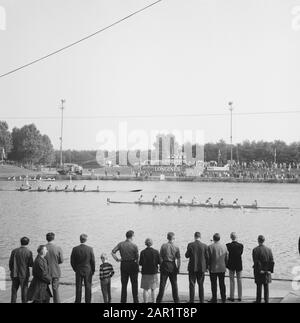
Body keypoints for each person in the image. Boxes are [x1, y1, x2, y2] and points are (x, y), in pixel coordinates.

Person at [112, 230, 139, 303]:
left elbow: (113, 252)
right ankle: (136, 301)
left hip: (123, 264)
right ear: (132, 236)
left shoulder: (120, 244)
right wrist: (138, 267)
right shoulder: (134, 246)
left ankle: (123, 301)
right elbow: (137, 258)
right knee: (134, 284)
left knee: (124, 284)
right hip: (133, 265)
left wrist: (117, 259)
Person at [156, 232, 181, 303]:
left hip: (164, 265)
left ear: (167, 238)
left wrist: (160, 265)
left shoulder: (163, 246)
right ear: (173, 238)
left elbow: (160, 257)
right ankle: (176, 300)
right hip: (172, 265)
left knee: (162, 284)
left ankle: (159, 300)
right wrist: (178, 268)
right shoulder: (176, 247)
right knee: (174, 284)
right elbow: (178, 259)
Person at [70, 234, 95, 303]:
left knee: (78, 287)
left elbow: (72, 261)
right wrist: (93, 270)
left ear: (80, 239)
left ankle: (78, 301)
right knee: (88, 287)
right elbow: (92, 261)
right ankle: (88, 301)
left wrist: (75, 269)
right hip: (88, 270)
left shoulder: (75, 249)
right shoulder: (90, 249)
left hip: (78, 270)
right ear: (86, 240)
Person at [185, 232, 209, 303]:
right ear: (200, 237)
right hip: (201, 268)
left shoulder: (190, 245)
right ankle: (201, 300)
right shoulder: (205, 246)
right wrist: (207, 267)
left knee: (192, 284)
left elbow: (186, 255)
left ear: (194, 237)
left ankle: (191, 300)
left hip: (192, 267)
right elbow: (207, 258)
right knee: (201, 284)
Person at [9, 237, 34, 303]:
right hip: (24, 274)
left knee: (14, 292)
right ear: (28, 243)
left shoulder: (14, 251)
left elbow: (10, 263)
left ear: (20, 242)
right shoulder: (29, 252)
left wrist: (11, 271)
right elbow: (31, 264)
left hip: (14, 274)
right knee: (24, 291)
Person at [252, 235, 274, 303]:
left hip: (259, 271)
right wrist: (270, 270)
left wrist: (259, 270)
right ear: (264, 240)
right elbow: (272, 261)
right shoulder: (269, 249)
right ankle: (266, 300)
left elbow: (255, 261)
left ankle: (258, 300)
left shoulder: (255, 250)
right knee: (266, 285)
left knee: (259, 286)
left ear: (258, 240)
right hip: (267, 270)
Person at [208, 233, 228, 303]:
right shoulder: (224, 246)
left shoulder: (210, 247)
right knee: (222, 283)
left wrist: (208, 266)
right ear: (219, 238)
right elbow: (226, 257)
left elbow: (208, 258)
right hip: (222, 267)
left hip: (213, 268)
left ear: (213, 239)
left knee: (214, 284)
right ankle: (223, 298)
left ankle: (214, 298)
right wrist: (225, 264)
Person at [139, 238, 161, 303]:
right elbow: (159, 262)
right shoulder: (156, 252)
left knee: (145, 289)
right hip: (153, 272)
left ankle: (145, 302)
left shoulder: (142, 252)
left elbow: (140, 263)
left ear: (145, 244)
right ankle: (153, 302)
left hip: (145, 272)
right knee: (153, 289)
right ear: (152, 243)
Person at [45, 232, 64, 303]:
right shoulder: (58, 248)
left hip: (45, 271)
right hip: (55, 270)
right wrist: (56, 262)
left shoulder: (43, 248)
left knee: (45, 288)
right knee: (55, 289)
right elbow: (61, 260)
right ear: (54, 238)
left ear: (46, 238)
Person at [226, 232, 243, 302]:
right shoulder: (241, 245)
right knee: (239, 280)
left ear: (231, 237)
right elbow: (240, 253)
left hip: (231, 264)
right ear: (236, 237)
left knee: (231, 280)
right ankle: (240, 296)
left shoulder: (228, 245)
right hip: (238, 264)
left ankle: (232, 296)